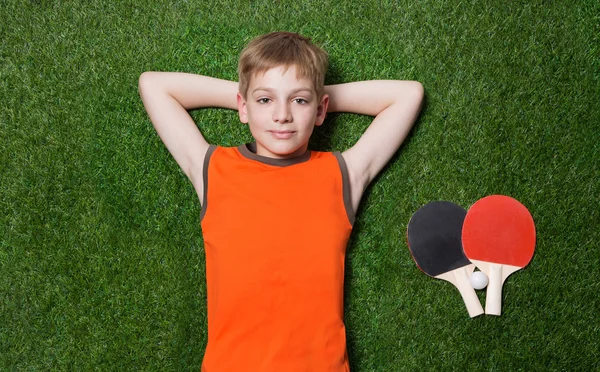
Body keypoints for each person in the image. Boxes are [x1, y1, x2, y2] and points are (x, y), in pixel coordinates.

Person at [139, 31, 423, 372]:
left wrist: (309, 93)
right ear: (242, 106)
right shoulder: (213, 169)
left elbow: (408, 94)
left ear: (321, 110)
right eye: (265, 101)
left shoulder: (343, 173)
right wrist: (259, 92)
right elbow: (154, 85)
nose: (282, 115)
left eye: (298, 102)